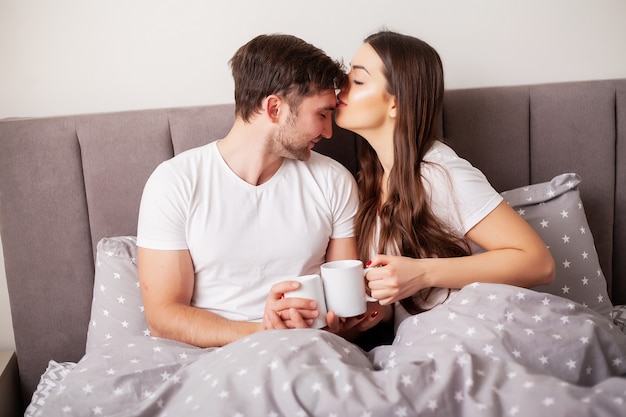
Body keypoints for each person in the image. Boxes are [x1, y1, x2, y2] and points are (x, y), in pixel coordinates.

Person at [136, 34, 383, 348]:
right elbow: (164, 317)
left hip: (311, 351)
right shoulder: (176, 182)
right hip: (209, 359)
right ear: (275, 108)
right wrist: (265, 334)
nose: (328, 131)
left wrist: (342, 325)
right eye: (321, 114)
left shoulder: (333, 181)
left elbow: (343, 308)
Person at [335, 30, 555, 323]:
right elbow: (408, 296)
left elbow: (539, 263)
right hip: (421, 339)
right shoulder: (371, 181)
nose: (341, 86)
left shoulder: (438, 173)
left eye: (358, 80)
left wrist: (423, 273)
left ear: (395, 104)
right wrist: (377, 311)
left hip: (476, 326)